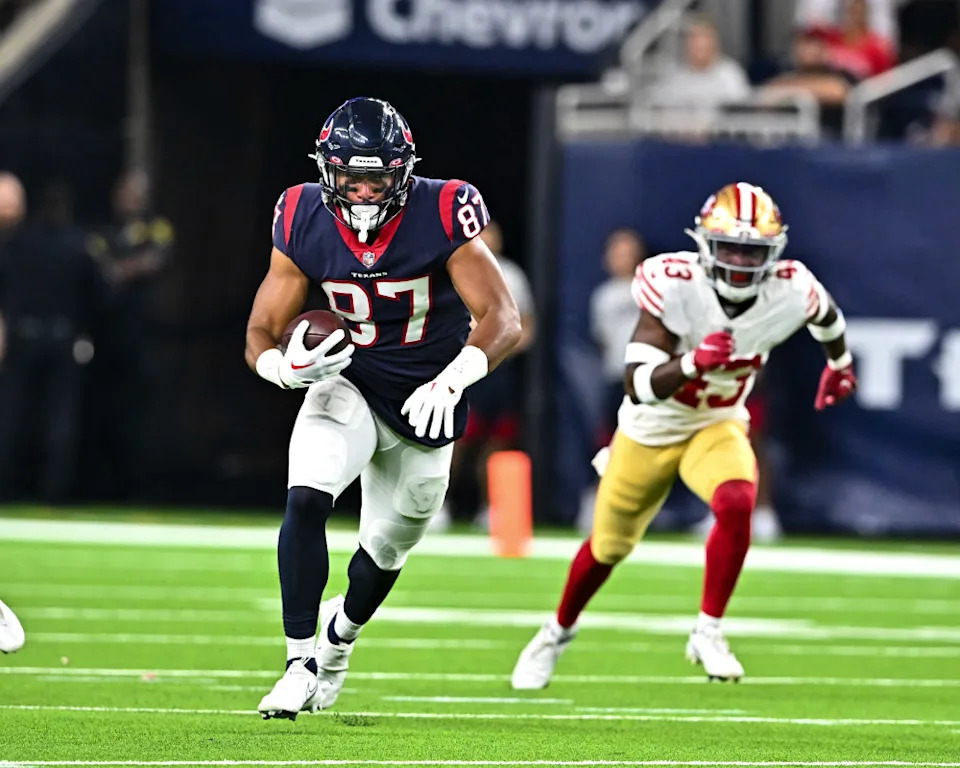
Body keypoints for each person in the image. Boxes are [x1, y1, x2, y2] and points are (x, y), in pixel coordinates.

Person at [511, 182, 857, 687]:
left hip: (715, 424)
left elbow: (827, 316)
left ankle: (709, 630)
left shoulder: (792, 287)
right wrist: (694, 361)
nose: (739, 260)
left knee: (739, 500)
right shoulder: (672, 281)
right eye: (730, 247)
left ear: (773, 253)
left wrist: (840, 363)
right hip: (649, 430)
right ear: (705, 245)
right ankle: (556, 631)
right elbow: (638, 384)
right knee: (607, 548)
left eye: (752, 250)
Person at [245, 97, 520, 719]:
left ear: (404, 173)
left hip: (428, 397)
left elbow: (504, 319)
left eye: (379, 179)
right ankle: (296, 662)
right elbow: (261, 328)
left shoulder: (442, 208)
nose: (365, 193)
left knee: (387, 549)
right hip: (352, 381)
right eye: (351, 178)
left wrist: (453, 381)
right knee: (306, 495)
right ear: (327, 172)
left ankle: (337, 645)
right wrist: (282, 369)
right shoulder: (301, 215)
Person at [0, 177, 102, 503]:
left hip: (26, 336)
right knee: (57, 419)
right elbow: (98, 294)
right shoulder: (79, 243)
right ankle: (53, 492)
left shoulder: (21, 242)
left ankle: (10, 486)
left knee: (13, 415)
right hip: (60, 337)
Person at [438, 219, 535, 531]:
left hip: (498, 371)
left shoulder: (513, 275)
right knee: (455, 440)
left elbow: (525, 326)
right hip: (461, 368)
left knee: (497, 443)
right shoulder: (456, 268)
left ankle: (491, 508)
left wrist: (499, 347)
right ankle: (438, 506)